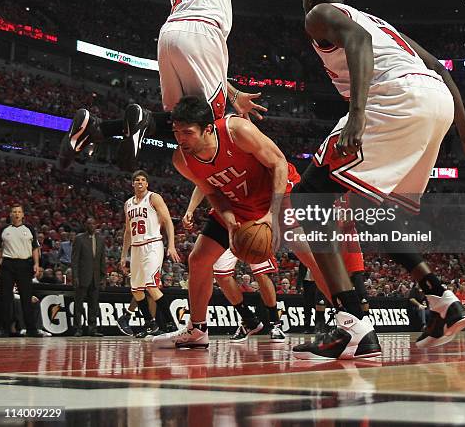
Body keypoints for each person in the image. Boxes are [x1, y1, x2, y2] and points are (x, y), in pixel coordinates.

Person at [287, 0, 465, 360]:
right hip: (435, 102)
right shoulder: (378, 22)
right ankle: (442, 300)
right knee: (367, 210)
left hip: (396, 98)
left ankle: (352, 324)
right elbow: (441, 69)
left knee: (308, 199)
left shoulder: (319, 14)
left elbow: (358, 42)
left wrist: (358, 113)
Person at [59, 0, 313, 172]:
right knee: (209, 120)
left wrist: (233, 94)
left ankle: (97, 128)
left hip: (169, 35)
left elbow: (194, 56)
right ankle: (143, 120)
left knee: (181, 119)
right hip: (203, 31)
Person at [152, 96, 328, 349]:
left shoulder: (236, 131)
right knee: (199, 259)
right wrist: (230, 221)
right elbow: (213, 193)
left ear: (208, 128)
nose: (181, 139)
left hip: (277, 194)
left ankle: (350, 321)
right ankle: (197, 329)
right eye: (177, 132)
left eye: (188, 132)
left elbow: (278, 162)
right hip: (238, 204)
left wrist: (271, 215)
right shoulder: (182, 159)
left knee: (310, 254)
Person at [183, 189, 285, 342]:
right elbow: (201, 185)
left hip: (254, 220)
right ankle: (249, 320)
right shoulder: (215, 172)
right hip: (226, 225)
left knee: (261, 272)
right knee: (221, 273)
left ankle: (274, 323)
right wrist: (190, 209)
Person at [118, 170, 180, 338]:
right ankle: (150, 324)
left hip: (153, 245)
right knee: (137, 290)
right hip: (136, 248)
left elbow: (168, 221)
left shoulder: (154, 198)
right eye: (136, 179)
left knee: (151, 286)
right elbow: (128, 232)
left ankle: (171, 324)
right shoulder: (128, 204)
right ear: (132, 184)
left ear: (147, 184)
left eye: (143, 180)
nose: (139, 182)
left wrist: (171, 245)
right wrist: (124, 255)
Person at [0, 204, 42, 337]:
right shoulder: (4, 229)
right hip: (8, 264)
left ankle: (31, 329)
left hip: (25, 264)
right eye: (14, 212)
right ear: (10, 214)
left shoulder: (29, 229)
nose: (16, 214)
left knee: (26, 298)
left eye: (19, 212)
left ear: (23, 215)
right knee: (6, 298)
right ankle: (5, 329)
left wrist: (36, 264)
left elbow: (34, 248)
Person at [72, 217, 106, 337]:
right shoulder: (79, 238)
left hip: (95, 277)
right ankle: (78, 329)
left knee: (93, 305)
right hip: (82, 277)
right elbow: (74, 260)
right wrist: (75, 276)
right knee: (78, 304)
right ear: (85, 225)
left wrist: (103, 277)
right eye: (89, 224)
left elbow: (102, 260)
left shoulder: (101, 239)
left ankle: (92, 329)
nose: (91, 225)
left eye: (93, 223)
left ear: (96, 225)